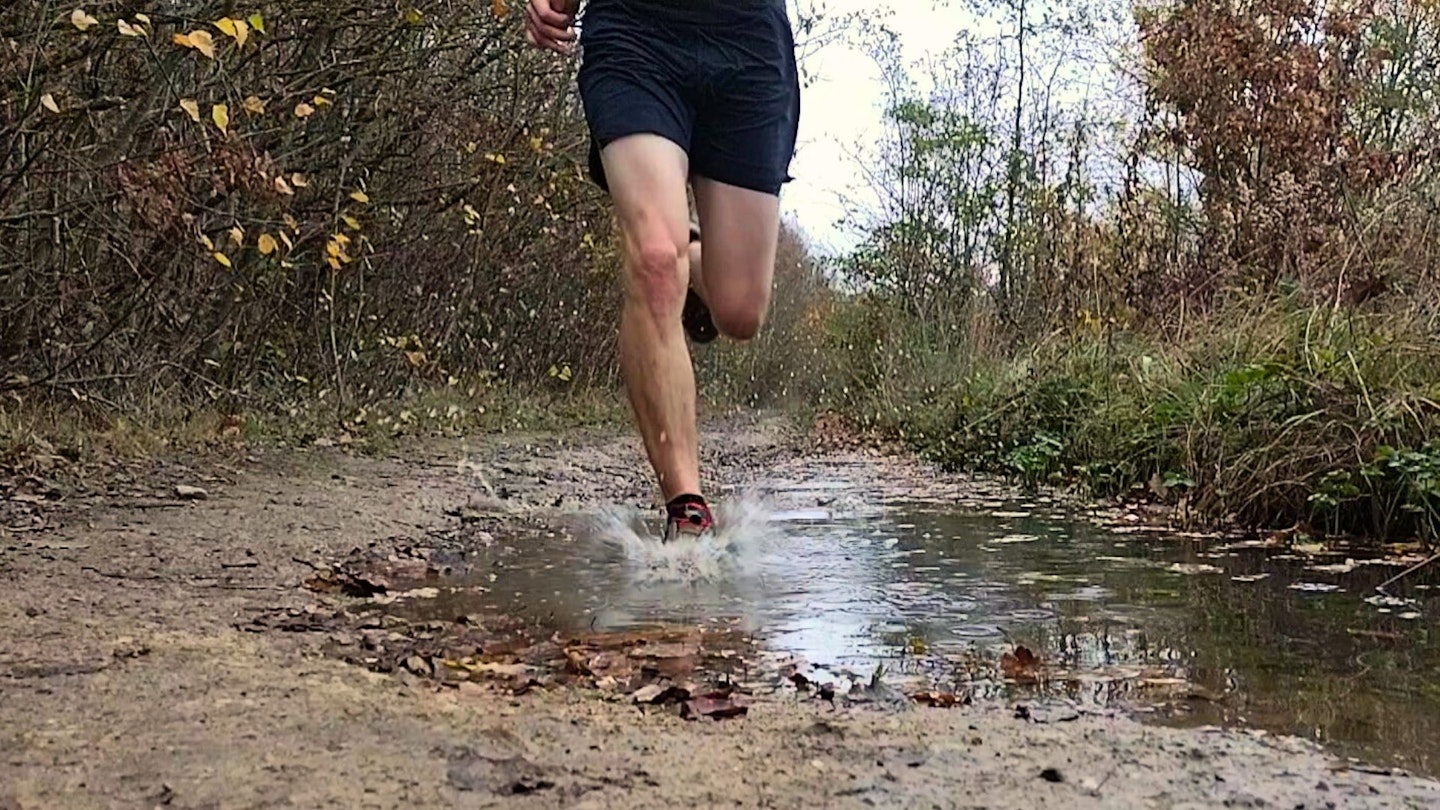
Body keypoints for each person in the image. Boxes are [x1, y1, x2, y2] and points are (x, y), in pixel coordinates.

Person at [523, 0, 802, 541]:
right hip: (635, 32)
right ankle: (687, 508)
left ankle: (688, 250)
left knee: (740, 311)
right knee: (653, 258)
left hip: (748, 45)